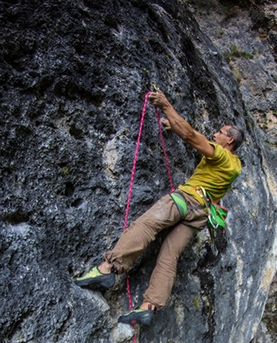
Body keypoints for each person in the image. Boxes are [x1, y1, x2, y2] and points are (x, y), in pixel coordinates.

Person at [75, 89, 244, 326]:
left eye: (220, 132)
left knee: (145, 225)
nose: (215, 133)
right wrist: (172, 125)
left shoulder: (223, 156)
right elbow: (194, 138)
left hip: (185, 200)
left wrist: (165, 105)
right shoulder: (235, 165)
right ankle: (148, 307)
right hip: (200, 215)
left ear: (230, 141)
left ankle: (107, 268)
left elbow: (190, 135)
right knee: (169, 254)